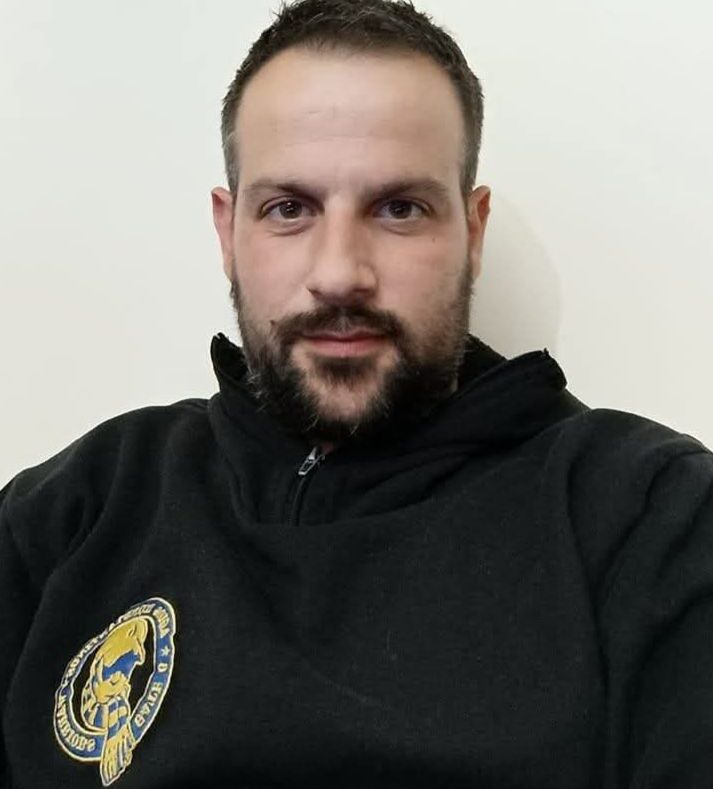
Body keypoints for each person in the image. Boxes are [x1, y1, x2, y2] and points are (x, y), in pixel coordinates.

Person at [1, 0, 712, 786]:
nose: (339, 272)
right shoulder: (72, 512)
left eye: (399, 208)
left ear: (472, 231)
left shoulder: (651, 519)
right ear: (228, 233)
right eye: (289, 209)